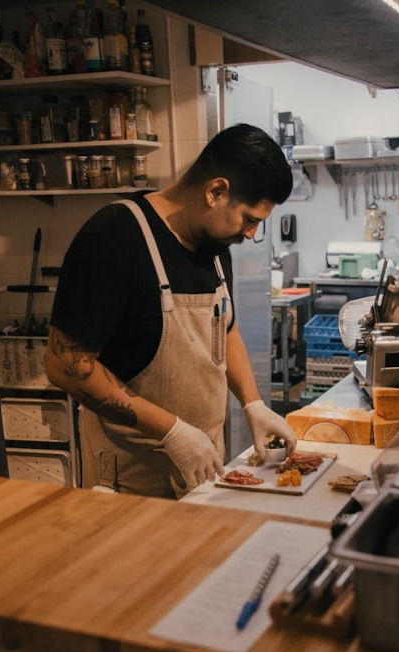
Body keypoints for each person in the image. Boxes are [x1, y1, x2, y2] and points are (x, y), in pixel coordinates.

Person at [46, 123, 297, 497]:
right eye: (249, 219)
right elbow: (66, 367)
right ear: (216, 191)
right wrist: (172, 431)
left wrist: (253, 403)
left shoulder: (213, 248)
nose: (249, 234)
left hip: (202, 471)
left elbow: (224, 329)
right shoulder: (114, 237)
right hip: (130, 480)